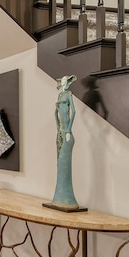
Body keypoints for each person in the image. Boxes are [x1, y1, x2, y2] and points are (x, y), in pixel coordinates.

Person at [51, 75, 80, 210]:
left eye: (64, 80)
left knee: (64, 160)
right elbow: (55, 112)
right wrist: (58, 126)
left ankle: (67, 198)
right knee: (59, 161)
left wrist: (68, 129)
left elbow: (73, 111)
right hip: (61, 131)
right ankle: (59, 197)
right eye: (61, 80)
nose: (63, 82)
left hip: (66, 131)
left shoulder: (68, 94)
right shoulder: (60, 95)